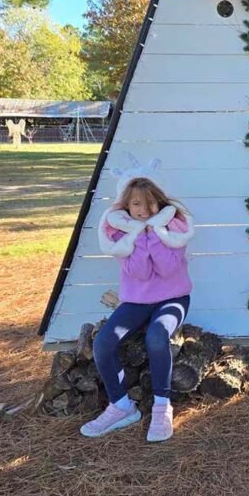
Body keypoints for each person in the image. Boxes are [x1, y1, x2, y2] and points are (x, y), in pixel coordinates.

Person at [80, 174, 194, 442]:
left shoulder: (175, 228)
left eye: (150, 203)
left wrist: (153, 233)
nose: (144, 210)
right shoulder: (121, 234)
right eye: (136, 205)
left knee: (157, 336)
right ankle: (121, 405)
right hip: (135, 301)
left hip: (173, 299)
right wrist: (139, 237)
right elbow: (140, 273)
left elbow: (168, 269)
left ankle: (161, 406)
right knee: (104, 343)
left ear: (160, 204)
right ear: (126, 208)